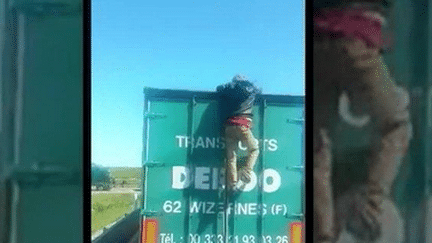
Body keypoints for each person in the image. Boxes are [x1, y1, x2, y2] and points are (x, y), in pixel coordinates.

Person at [313, 1, 412, 242]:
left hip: (316, 41)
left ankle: (323, 234)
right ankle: (369, 209)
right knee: (396, 125)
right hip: (354, 37)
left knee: (318, 144)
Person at [216, 74, 262, 191]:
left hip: (229, 126)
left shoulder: (228, 89)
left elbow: (218, 89)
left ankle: (232, 184)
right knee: (254, 149)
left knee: (231, 157)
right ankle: (246, 172)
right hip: (243, 124)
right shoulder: (251, 89)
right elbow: (259, 90)